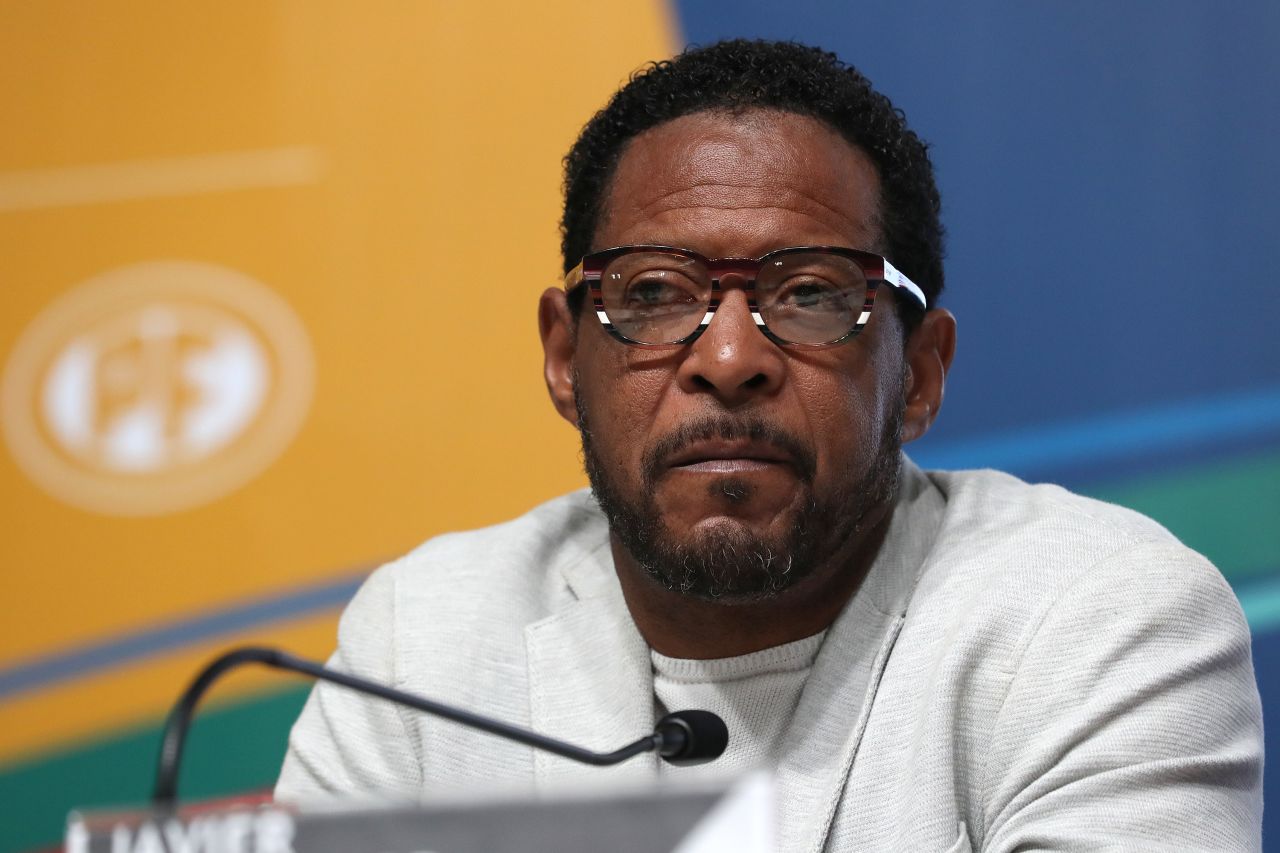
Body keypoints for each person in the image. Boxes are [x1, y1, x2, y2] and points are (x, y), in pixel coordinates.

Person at [276, 40, 1263, 850]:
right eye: (654, 292)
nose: (730, 356)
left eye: (811, 293)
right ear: (564, 358)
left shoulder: (1095, 615)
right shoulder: (419, 639)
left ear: (916, 371)